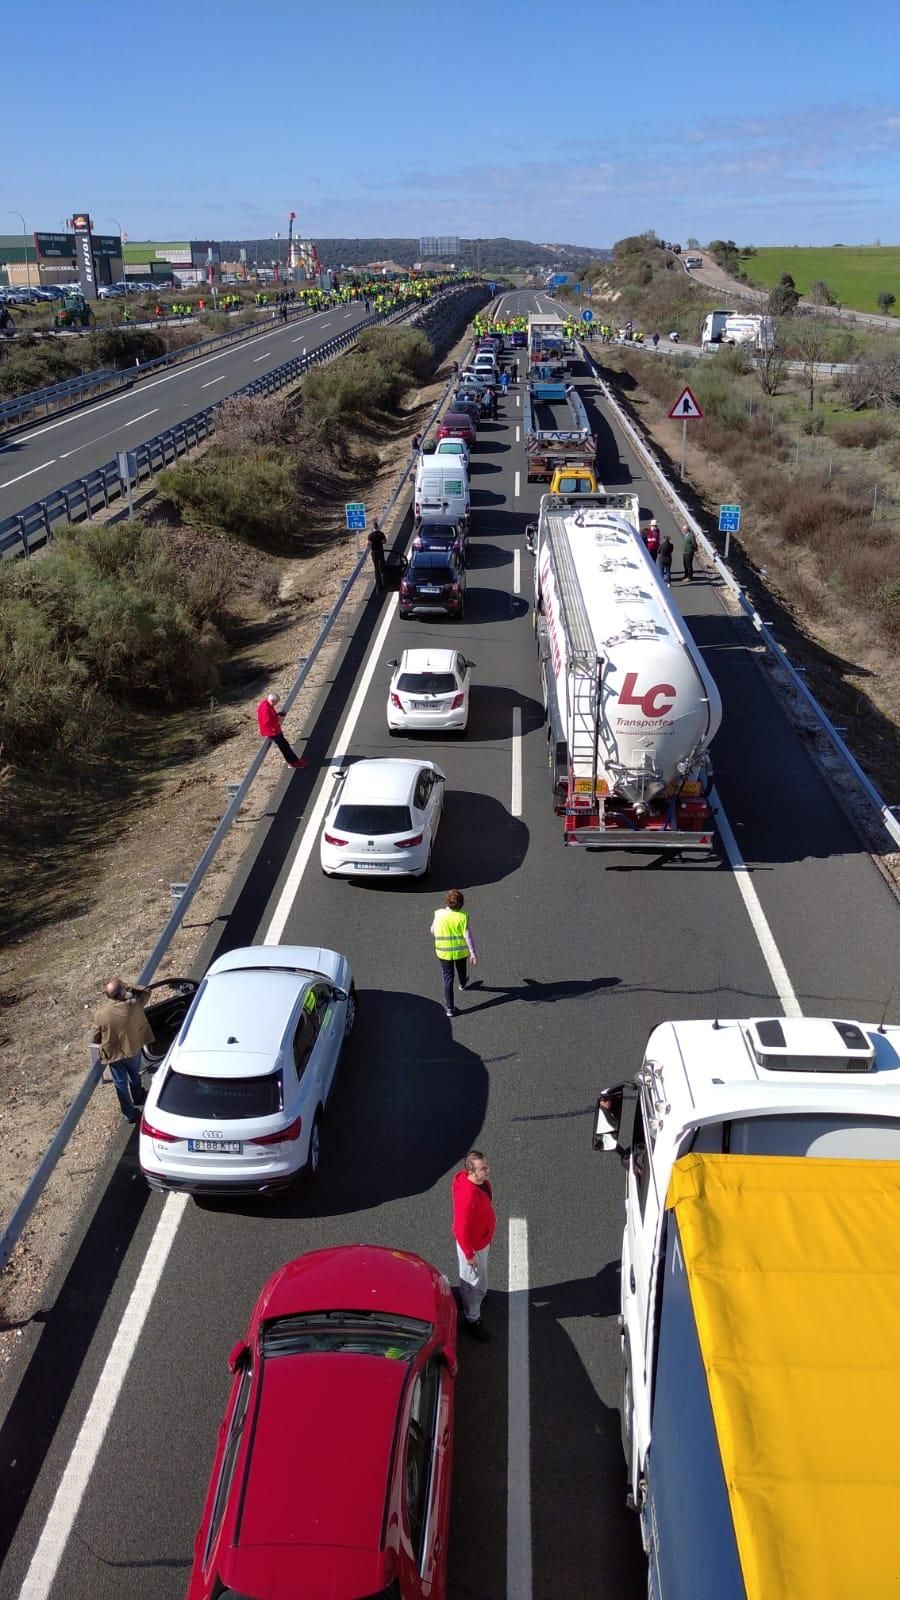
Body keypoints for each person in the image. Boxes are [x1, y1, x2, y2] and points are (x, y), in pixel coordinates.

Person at [91, 979, 154, 1124]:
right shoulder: (133, 1005)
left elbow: (95, 1037)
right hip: (132, 1050)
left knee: (120, 1084)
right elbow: (146, 990)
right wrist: (128, 985)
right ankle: (138, 1096)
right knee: (135, 1074)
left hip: (114, 1055)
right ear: (122, 992)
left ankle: (129, 1114)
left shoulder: (100, 1014)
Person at [452, 1151, 495, 1340]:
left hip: (481, 1239)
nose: (488, 1170)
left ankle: (477, 1298)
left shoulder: (476, 1181)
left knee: (479, 1278)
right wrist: (469, 1254)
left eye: (486, 1165)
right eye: (483, 1168)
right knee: (473, 1282)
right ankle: (472, 1318)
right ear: (471, 1172)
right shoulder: (467, 1196)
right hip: (474, 1246)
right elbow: (459, 1229)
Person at [431, 888, 477, 1018]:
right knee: (462, 969)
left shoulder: (438, 914)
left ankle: (450, 1009)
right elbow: (468, 936)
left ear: (447, 902)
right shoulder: (463, 916)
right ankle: (462, 984)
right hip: (460, 952)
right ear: (461, 903)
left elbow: (432, 930)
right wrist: (473, 953)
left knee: (447, 978)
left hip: (443, 952)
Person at [256, 693, 307, 767]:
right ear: (272, 700)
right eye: (276, 702)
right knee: (284, 747)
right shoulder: (266, 709)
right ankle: (293, 762)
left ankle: (295, 761)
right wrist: (277, 718)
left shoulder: (265, 703)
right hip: (272, 732)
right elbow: (267, 721)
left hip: (274, 730)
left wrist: (277, 715)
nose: (276, 704)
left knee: (285, 745)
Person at [368, 519, 387, 590]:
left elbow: (368, 543)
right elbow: (385, 541)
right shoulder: (381, 534)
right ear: (377, 527)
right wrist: (380, 542)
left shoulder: (370, 535)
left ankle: (377, 578)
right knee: (382, 563)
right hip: (380, 550)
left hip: (374, 552)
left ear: (372, 528)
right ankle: (384, 576)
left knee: (376, 566)